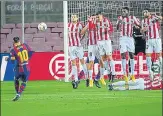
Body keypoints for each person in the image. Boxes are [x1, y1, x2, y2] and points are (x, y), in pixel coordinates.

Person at [116, 7, 140, 82]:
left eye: (124, 11)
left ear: (128, 12)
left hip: (130, 38)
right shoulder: (119, 18)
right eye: (122, 11)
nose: (122, 12)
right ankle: (124, 74)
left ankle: (132, 74)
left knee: (131, 55)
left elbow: (139, 25)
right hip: (122, 38)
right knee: (123, 54)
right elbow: (117, 28)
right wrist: (119, 22)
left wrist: (141, 28)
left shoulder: (133, 18)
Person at [5, 37, 32, 101]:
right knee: (24, 81)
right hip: (27, 67)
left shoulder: (13, 50)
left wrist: (8, 59)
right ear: (19, 41)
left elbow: (13, 60)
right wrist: (27, 59)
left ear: (14, 42)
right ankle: (19, 94)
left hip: (20, 68)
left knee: (16, 79)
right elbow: (30, 53)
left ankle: (17, 93)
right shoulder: (25, 45)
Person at [141, 9, 162, 80]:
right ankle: (150, 72)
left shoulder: (154, 17)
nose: (144, 13)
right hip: (148, 40)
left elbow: (161, 18)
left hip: (156, 39)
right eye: (143, 12)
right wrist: (143, 30)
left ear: (149, 12)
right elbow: (141, 30)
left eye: (146, 12)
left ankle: (161, 73)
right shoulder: (143, 21)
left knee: (159, 55)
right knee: (147, 55)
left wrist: (156, 15)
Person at [81, 14, 102, 87]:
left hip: (99, 45)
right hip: (91, 46)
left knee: (102, 62)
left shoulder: (100, 24)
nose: (94, 19)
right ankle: (90, 80)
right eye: (93, 17)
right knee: (91, 62)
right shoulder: (89, 24)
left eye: (95, 17)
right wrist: (87, 26)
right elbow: (82, 32)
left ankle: (98, 78)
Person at [96, 11, 116, 85]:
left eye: (99, 16)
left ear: (102, 15)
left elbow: (111, 29)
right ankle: (109, 72)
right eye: (97, 17)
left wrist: (107, 29)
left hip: (106, 41)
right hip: (99, 41)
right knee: (103, 59)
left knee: (109, 57)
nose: (98, 18)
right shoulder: (96, 22)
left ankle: (113, 73)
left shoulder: (106, 20)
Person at [68, 14, 88, 89]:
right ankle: (76, 79)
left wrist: (80, 40)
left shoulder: (80, 25)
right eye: (72, 17)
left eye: (74, 17)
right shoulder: (68, 25)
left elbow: (84, 33)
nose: (73, 18)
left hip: (78, 46)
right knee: (73, 63)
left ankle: (87, 77)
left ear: (77, 18)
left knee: (82, 61)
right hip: (71, 46)